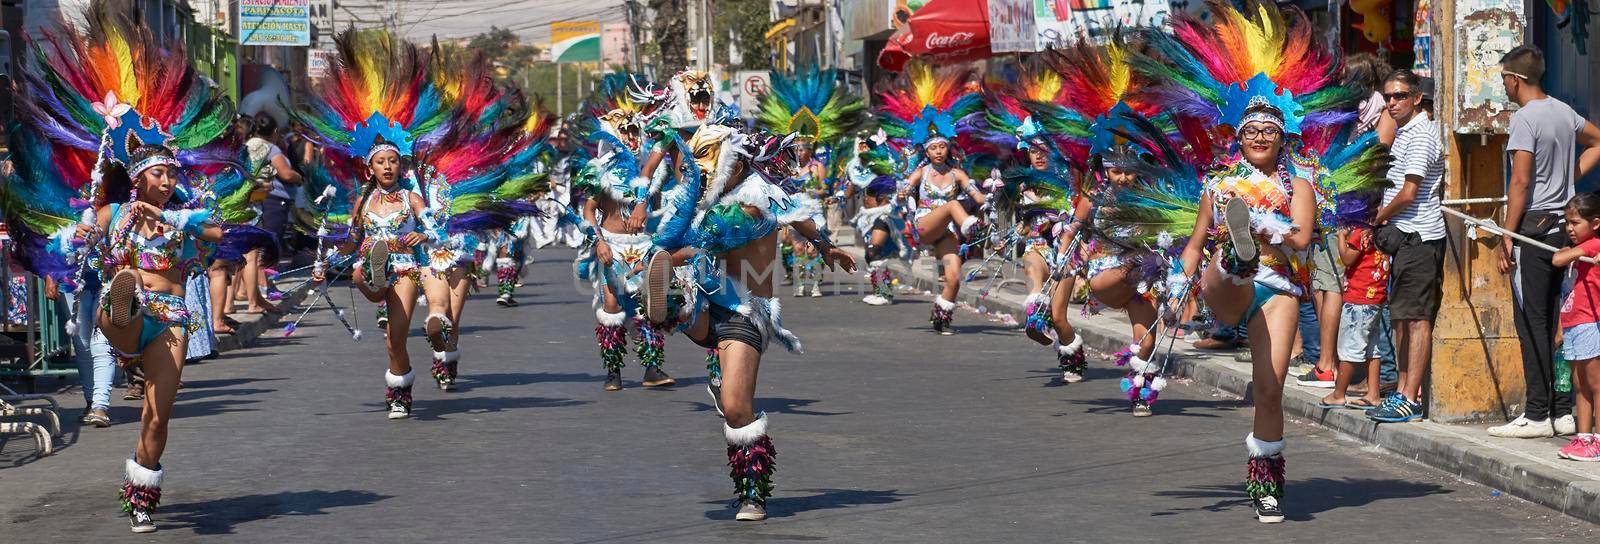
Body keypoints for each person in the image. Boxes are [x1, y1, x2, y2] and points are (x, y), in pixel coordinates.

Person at [643, 123, 855, 521]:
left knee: (737, 409)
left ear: (736, 163)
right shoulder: (702, 199)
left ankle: (752, 494)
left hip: (744, 311)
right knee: (677, 295)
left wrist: (825, 247)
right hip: (705, 303)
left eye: (710, 161)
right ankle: (671, 304)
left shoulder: (756, 201)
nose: (701, 172)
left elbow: (796, 216)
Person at [1490, 45, 1600, 438]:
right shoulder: (1562, 111)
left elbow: (1519, 182)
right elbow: (1598, 141)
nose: (1503, 83)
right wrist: (1569, 182)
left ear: (1514, 79)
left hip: (1533, 226)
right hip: (1561, 224)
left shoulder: (1525, 118)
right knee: (1558, 318)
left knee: (1532, 319)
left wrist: (1507, 235)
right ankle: (1561, 410)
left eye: (1504, 77)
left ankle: (1537, 412)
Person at [877, 62, 987, 335]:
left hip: (947, 230)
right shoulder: (921, 172)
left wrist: (994, 194)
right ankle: (969, 226)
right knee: (952, 206)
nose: (938, 152)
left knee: (954, 278)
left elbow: (978, 196)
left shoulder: (958, 173)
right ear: (927, 151)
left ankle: (941, 315)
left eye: (942, 147)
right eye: (934, 147)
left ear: (948, 149)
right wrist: (902, 192)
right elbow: (904, 188)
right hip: (925, 225)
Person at [1365, 70, 1446, 424]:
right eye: (1388, 97)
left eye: (1399, 96)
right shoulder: (1403, 133)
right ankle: (1401, 390)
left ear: (1416, 97)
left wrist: (1377, 218)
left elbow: (1410, 192)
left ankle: (1410, 396)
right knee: (1400, 318)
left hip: (1420, 238)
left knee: (1415, 320)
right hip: (1404, 239)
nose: (1392, 102)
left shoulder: (1422, 136)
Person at [1320, 224, 1391, 410]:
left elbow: (1347, 258)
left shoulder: (1361, 232)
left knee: (1350, 347)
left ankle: (1338, 394)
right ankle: (1373, 393)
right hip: (1376, 297)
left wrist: (1343, 237)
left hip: (1359, 299)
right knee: (1371, 348)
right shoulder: (1382, 230)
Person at [1553, 193, 1600, 461]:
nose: (1569, 228)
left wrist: (1566, 253)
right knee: (1579, 384)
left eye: (1575, 223)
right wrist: (1561, 327)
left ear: (1595, 223)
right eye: (1567, 223)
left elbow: (1557, 260)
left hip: (1590, 323)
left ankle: (1598, 440)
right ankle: (1583, 438)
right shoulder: (1580, 251)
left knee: (1596, 384)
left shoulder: (1593, 245)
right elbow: (1569, 291)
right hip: (1574, 322)